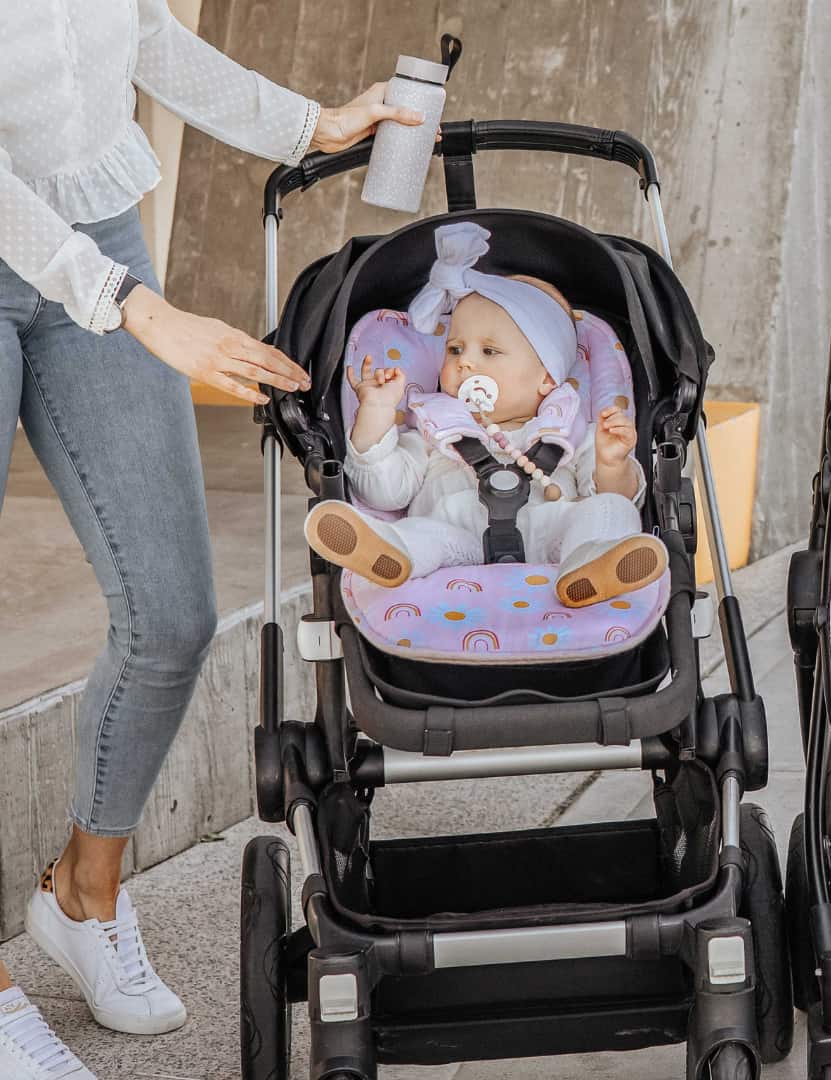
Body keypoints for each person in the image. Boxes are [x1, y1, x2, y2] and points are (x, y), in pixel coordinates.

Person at [0, 1, 424, 1073]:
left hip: (91, 226)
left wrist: (308, 123)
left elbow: (136, 29)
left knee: (173, 612)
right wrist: (140, 310)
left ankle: (84, 896)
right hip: (48, 253)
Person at [304, 222, 666, 608]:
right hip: (453, 535)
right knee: (416, 533)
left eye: (489, 352)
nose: (465, 363)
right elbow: (386, 491)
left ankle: (592, 566)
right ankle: (388, 553)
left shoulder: (572, 425)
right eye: (455, 349)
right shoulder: (433, 423)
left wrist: (613, 463)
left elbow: (615, 492)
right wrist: (375, 412)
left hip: (553, 537)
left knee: (611, 510)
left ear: (547, 378)